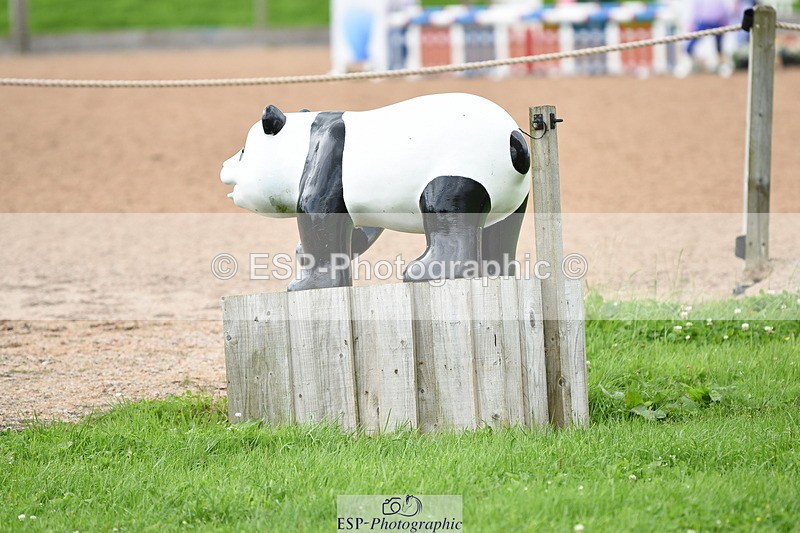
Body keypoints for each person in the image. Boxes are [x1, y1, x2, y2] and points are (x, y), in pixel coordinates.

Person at [677, 0, 736, 77]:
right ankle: (687, 65)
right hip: (703, 22)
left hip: (718, 22)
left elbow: (724, 11)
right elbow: (694, 10)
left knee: (719, 47)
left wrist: (726, 23)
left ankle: (723, 66)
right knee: (690, 46)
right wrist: (691, 24)